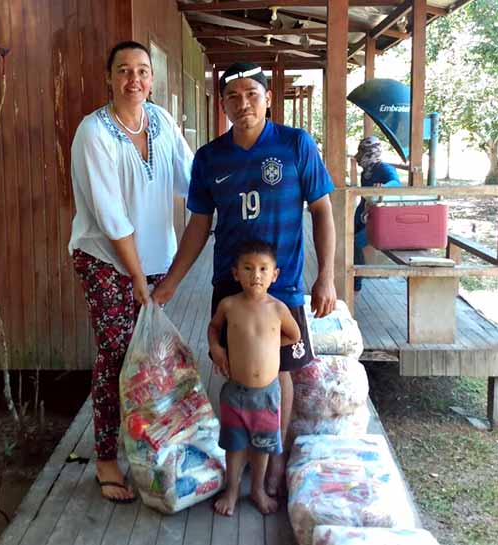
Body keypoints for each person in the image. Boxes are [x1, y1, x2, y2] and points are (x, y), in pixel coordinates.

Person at [152, 61, 337, 497]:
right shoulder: (211, 157)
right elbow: (199, 225)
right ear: (222, 104)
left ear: (268, 97)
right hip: (230, 283)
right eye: (232, 96)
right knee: (235, 370)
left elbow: (323, 210)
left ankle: (272, 463)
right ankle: (238, 457)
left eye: (252, 93)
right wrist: (173, 282)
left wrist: (325, 276)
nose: (243, 103)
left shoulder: (295, 145)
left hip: (283, 282)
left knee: (282, 371)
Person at [68, 40, 192, 503]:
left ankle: (148, 449)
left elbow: (189, 176)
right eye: (124, 70)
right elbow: (110, 214)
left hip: (156, 263)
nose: (133, 79)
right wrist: (138, 277)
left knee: (150, 359)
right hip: (106, 261)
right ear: (109, 77)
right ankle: (105, 459)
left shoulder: (160, 121)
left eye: (142, 71)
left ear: (152, 80)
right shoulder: (93, 133)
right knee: (117, 356)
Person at [209, 240, 301, 516]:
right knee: (234, 445)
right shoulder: (228, 305)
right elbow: (214, 329)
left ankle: (258, 489)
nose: (256, 275)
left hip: (268, 394)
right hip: (235, 391)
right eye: (248, 268)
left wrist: (271, 346)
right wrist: (217, 348)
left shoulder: (278, 308)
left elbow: (294, 335)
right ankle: (232, 490)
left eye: (263, 269)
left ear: (275, 275)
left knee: (262, 446)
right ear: (236, 273)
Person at [353, 135, 401, 291]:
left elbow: (396, 183)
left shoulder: (384, 168)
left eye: (362, 152)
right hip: (364, 213)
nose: (359, 156)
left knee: (354, 243)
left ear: (371, 153)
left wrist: (385, 187)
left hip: (380, 219)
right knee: (345, 238)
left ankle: (355, 283)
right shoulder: (366, 172)